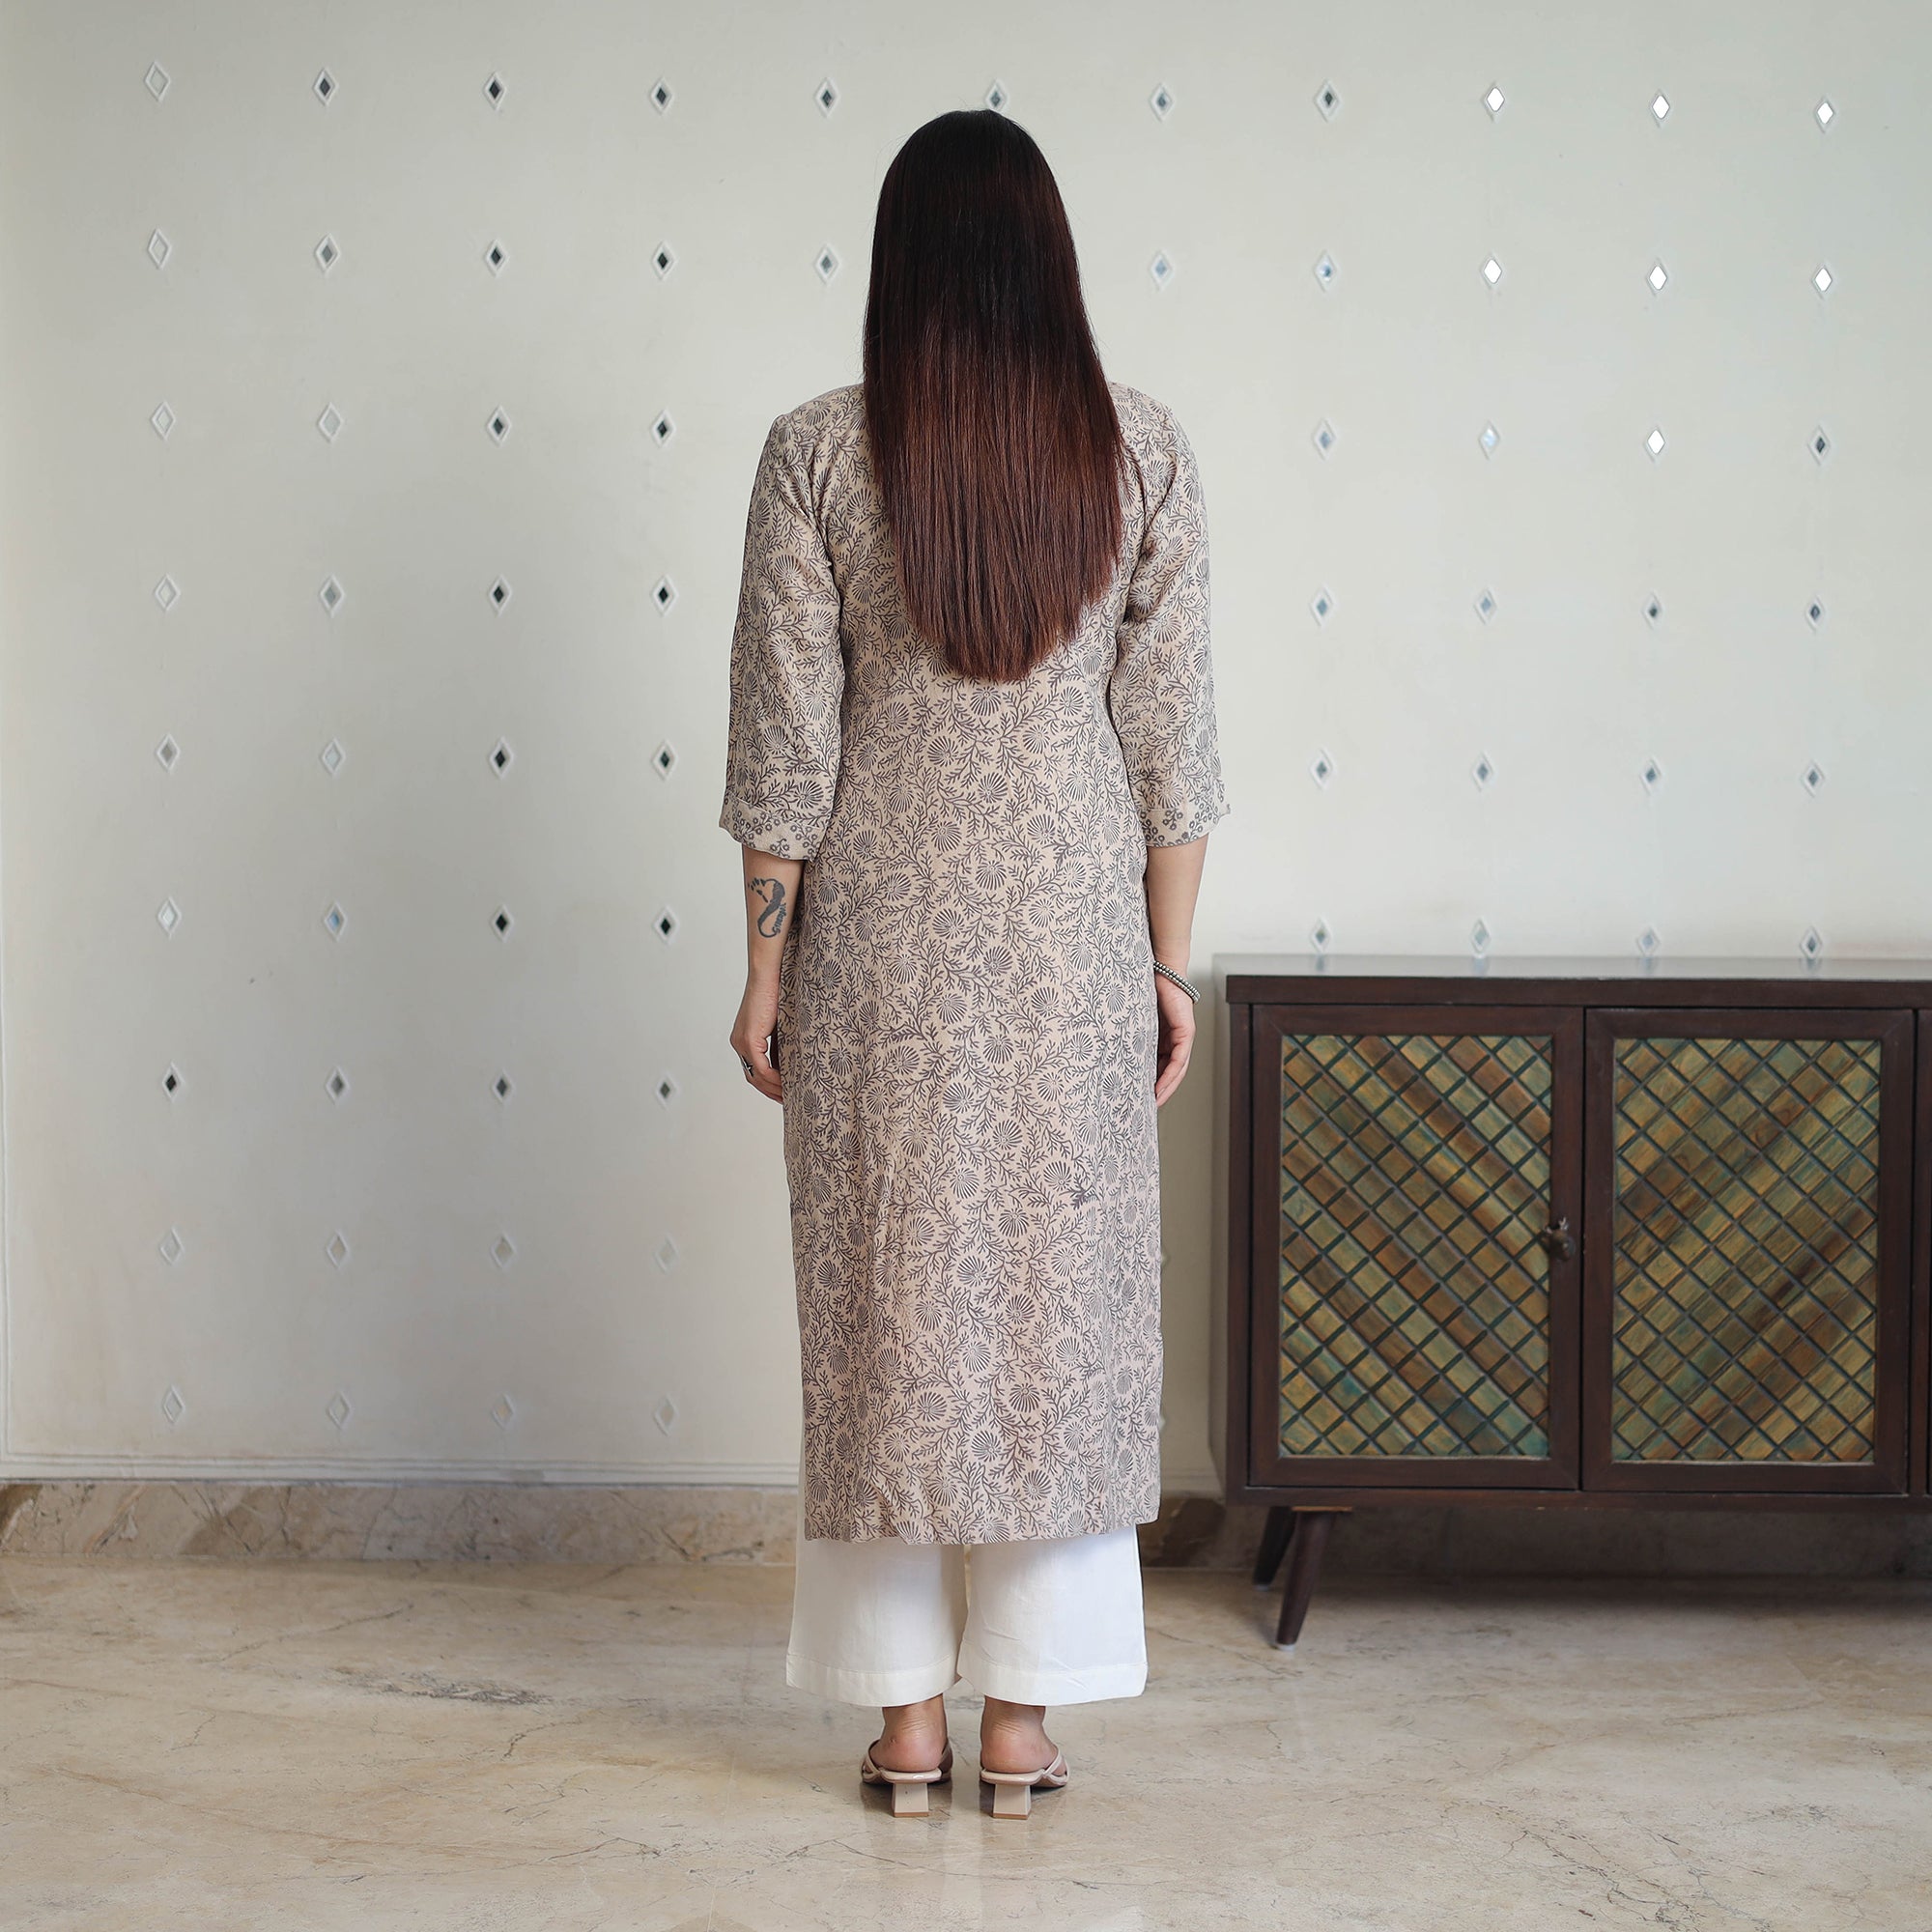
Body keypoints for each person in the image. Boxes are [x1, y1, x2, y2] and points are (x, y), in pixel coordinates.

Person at [719, 106, 1229, 1819]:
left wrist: (766, 971)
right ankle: (1022, 1726)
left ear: (900, 265)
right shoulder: (1141, 451)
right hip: (1074, 948)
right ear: (1049, 260)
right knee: (1057, 1319)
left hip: (880, 948)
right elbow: (1172, 750)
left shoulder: (815, 453)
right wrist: (1168, 966)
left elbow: (786, 756)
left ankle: (903, 1730)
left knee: (886, 1310)